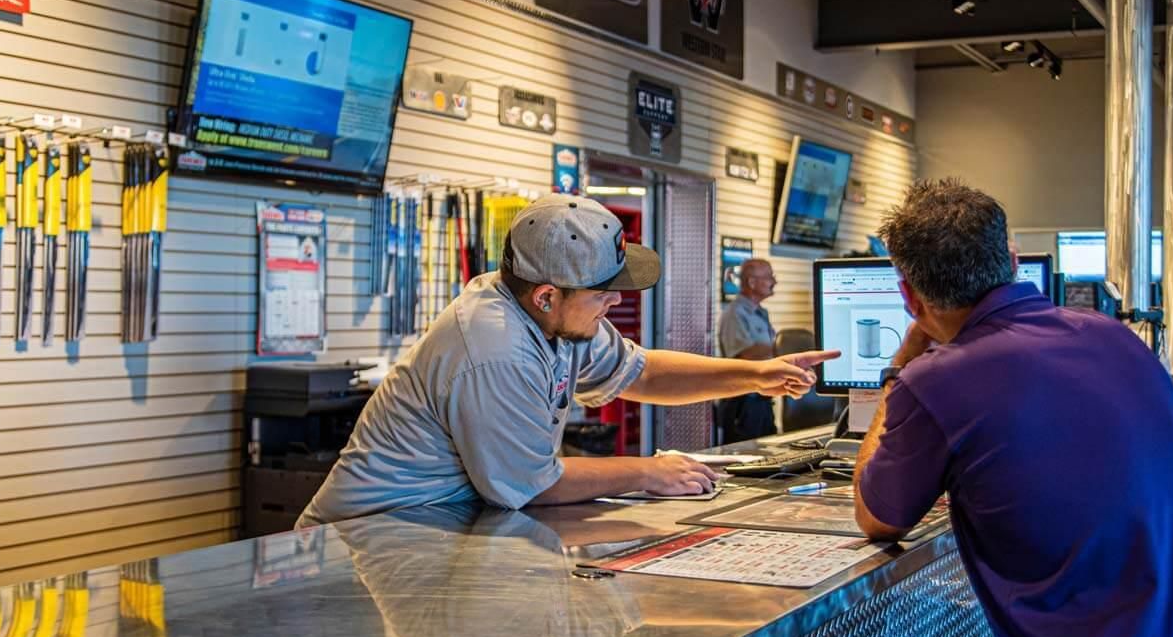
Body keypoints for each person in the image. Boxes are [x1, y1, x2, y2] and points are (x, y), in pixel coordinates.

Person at [763, 179, 1173, 637]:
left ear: (909, 297)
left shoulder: (937, 378)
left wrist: (901, 368)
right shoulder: (1116, 338)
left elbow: (877, 516)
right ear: (1012, 263)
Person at [300, 196, 839, 526]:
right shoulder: (494, 348)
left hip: (436, 529)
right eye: (603, 293)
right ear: (546, 295)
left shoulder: (557, 320)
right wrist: (648, 471)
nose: (616, 302)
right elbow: (536, 485)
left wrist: (755, 375)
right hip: (364, 542)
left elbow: (643, 371)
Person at [716, 258, 778, 442]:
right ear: (751, 282)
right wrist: (782, 349)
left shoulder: (761, 313)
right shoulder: (735, 314)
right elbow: (744, 354)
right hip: (743, 405)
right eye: (769, 277)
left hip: (761, 400)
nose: (774, 282)